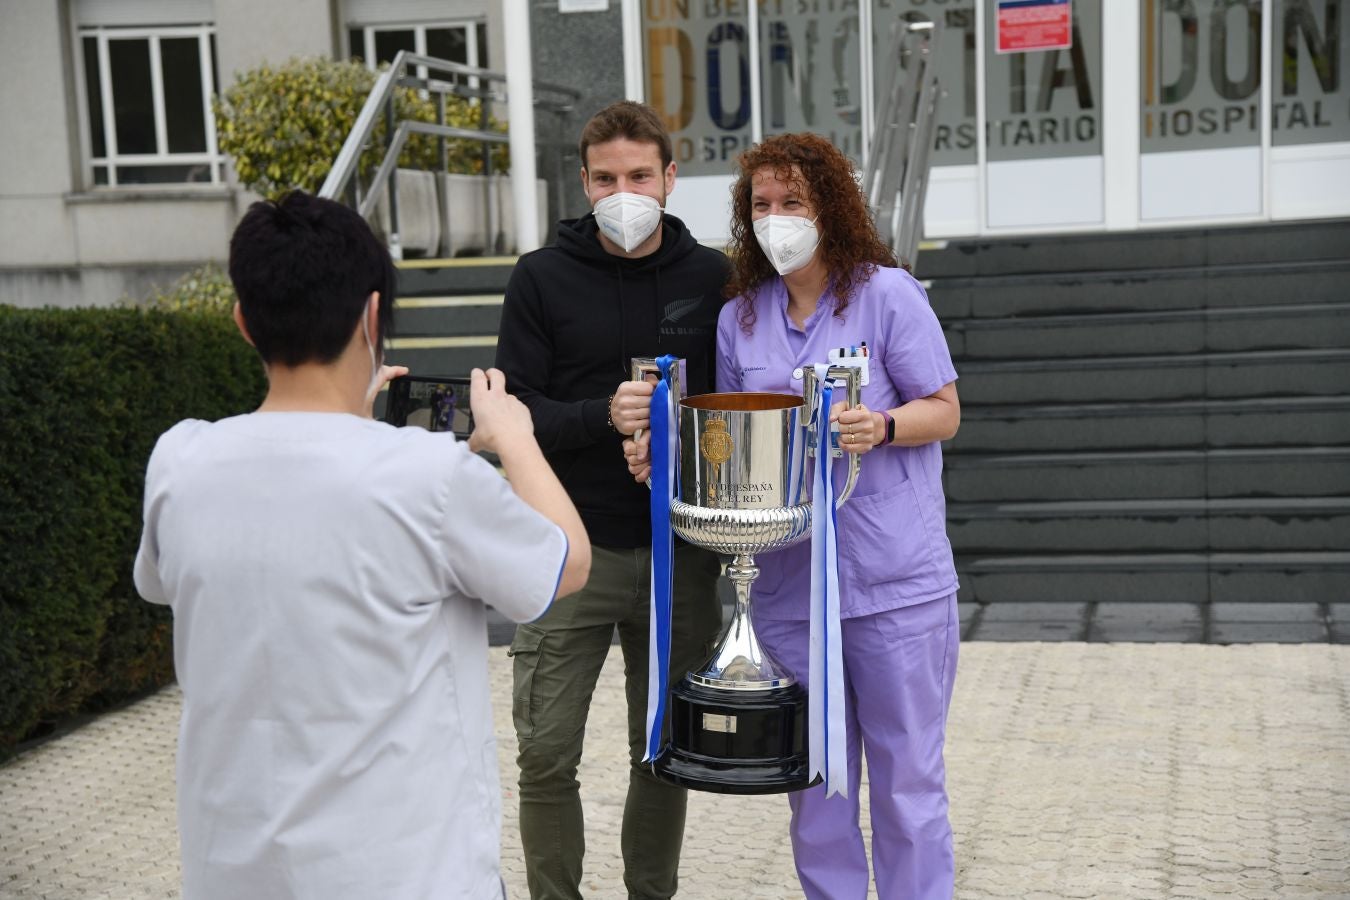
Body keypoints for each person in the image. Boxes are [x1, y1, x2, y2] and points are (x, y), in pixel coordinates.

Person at [133, 191, 591, 900]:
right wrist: (515, 437)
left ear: (244, 322)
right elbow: (565, 561)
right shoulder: (428, 476)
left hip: (231, 874)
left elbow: (162, 580)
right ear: (373, 316)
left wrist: (353, 420)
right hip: (410, 875)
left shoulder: (180, 460)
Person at [628, 132, 962, 899]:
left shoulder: (888, 294)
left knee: (908, 784)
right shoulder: (741, 317)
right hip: (785, 588)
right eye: (763, 205)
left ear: (830, 209)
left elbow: (944, 412)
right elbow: (738, 445)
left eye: (793, 202)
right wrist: (664, 459)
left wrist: (882, 427)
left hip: (894, 585)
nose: (776, 217)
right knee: (815, 787)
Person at [494, 100, 728, 900]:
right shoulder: (541, 277)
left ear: (671, 176)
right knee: (546, 753)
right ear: (583, 183)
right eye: (605, 179)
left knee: (662, 749)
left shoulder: (715, 278)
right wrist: (603, 413)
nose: (622, 192)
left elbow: (738, 405)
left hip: (678, 554)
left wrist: (680, 443)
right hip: (565, 554)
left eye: (639, 175)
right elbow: (511, 416)